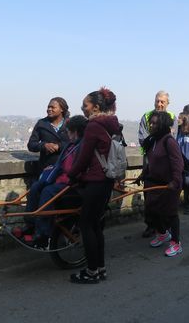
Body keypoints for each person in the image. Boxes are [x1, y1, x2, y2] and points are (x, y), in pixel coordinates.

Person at [67, 88, 119, 284]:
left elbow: (83, 158)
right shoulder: (110, 124)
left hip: (95, 180)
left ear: (96, 107)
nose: (83, 109)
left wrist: (71, 175)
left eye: (85, 105)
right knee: (96, 225)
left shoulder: (93, 126)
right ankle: (100, 268)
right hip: (106, 180)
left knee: (87, 225)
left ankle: (91, 271)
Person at [20, 115, 88, 248]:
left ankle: (43, 234)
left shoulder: (82, 147)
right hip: (60, 179)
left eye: (69, 132)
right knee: (36, 187)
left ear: (75, 132)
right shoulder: (70, 146)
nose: (67, 135)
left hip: (71, 184)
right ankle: (31, 223)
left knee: (47, 191)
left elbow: (76, 169)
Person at [142, 112, 184, 257]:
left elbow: (178, 163)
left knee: (170, 214)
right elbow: (152, 162)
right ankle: (162, 234)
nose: (152, 125)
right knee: (152, 211)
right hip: (155, 183)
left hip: (170, 184)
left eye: (155, 123)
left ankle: (176, 243)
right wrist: (143, 175)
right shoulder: (153, 141)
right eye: (151, 123)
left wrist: (176, 181)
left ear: (162, 125)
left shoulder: (169, 141)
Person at [138, 90, 177, 238]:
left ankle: (164, 227)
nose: (159, 104)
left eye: (163, 102)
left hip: (165, 162)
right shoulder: (146, 116)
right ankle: (150, 225)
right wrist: (156, 141)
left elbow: (173, 138)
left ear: (167, 103)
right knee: (148, 193)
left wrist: (154, 139)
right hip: (149, 159)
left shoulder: (172, 118)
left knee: (165, 196)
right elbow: (142, 137)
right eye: (157, 101)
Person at [27, 97, 71, 174]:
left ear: (62, 109)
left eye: (53, 107)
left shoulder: (70, 124)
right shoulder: (41, 123)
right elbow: (31, 145)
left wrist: (59, 146)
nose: (49, 109)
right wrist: (44, 146)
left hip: (67, 167)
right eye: (48, 107)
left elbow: (77, 144)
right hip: (46, 168)